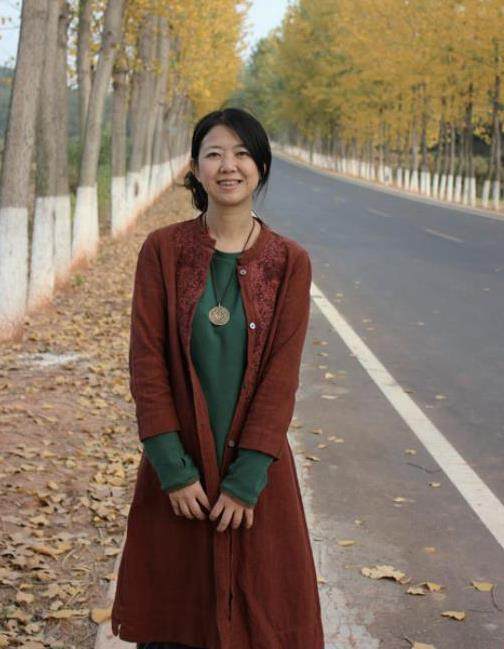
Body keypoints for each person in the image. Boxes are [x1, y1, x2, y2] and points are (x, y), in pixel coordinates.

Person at [111, 107, 325, 649]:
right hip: (179, 479)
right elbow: (147, 365)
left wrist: (247, 479)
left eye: (242, 154)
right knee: (174, 623)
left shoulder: (290, 262)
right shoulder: (162, 251)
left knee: (260, 622)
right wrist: (172, 470)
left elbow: (280, 379)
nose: (229, 166)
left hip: (257, 481)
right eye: (214, 154)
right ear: (196, 168)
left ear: (261, 167)